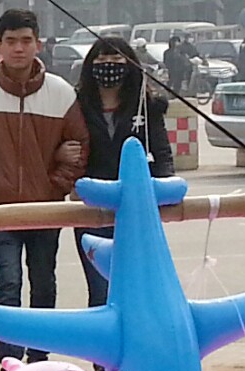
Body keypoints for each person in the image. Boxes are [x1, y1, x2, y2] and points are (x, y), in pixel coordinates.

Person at [0, 7, 87, 365]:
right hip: (1, 210)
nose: (18, 48)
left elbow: (80, 146)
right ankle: (9, 364)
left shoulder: (61, 94)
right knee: (8, 285)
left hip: (46, 209)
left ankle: (39, 361)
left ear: (37, 44)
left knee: (44, 284)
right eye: (10, 41)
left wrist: (55, 184)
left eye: (25, 41)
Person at [72, 34, 173, 307]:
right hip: (91, 209)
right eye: (101, 57)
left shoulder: (147, 105)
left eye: (116, 57)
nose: (108, 63)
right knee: (100, 288)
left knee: (140, 288)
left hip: (137, 209)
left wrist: (164, 192)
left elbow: (162, 153)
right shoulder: (75, 104)